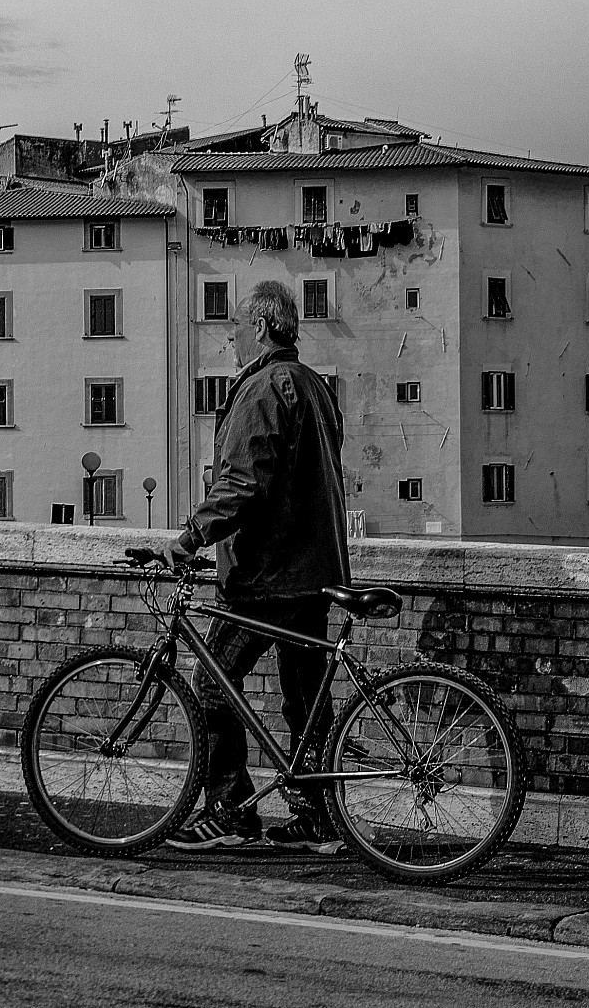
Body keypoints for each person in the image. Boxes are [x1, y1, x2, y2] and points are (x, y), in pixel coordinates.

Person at [159, 278, 352, 852]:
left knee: (213, 681)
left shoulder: (265, 388)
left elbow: (244, 481)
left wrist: (192, 535)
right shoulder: (314, 386)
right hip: (315, 571)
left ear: (263, 327)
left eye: (237, 327)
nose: (230, 338)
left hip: (266, 576)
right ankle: (317, 818)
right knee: (304, 699)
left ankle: (231, 810)